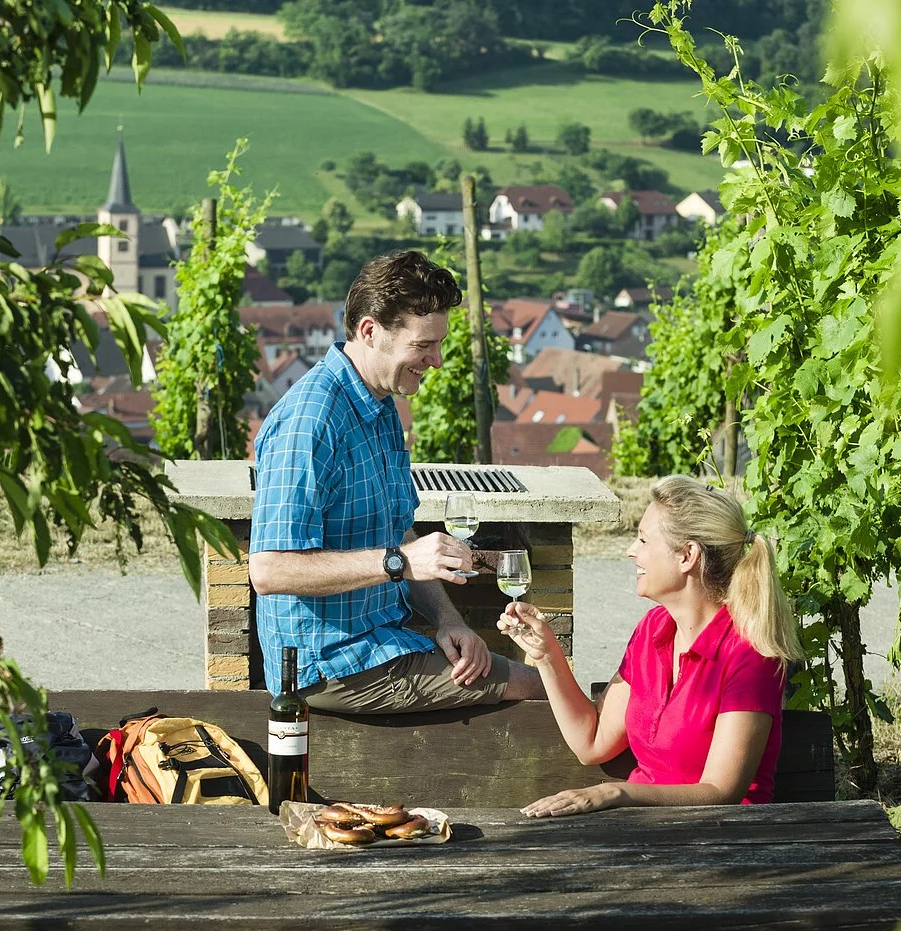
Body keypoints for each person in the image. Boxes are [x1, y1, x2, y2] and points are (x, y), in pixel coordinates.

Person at [248, 250, 544, 713]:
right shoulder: (311, 420)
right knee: (544, 688)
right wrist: (397, 562)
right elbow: (268, 571)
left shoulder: (379, 402)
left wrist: (450, 621)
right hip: (331, 666)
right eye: (424, 345)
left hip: (381, 639)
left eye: (439, 344)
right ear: (371, 331)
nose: (438, 360)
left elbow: (399, 535)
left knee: (530, 674)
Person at [497, 476, 802, 817]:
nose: (631, 550)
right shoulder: (653, 630)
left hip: (723, 839)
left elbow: (722, 791)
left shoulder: (749, 653)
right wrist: (547, 654)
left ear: (688, 556)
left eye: (642, 539)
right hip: (644, 830)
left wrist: (616, 792)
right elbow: (592, 743)